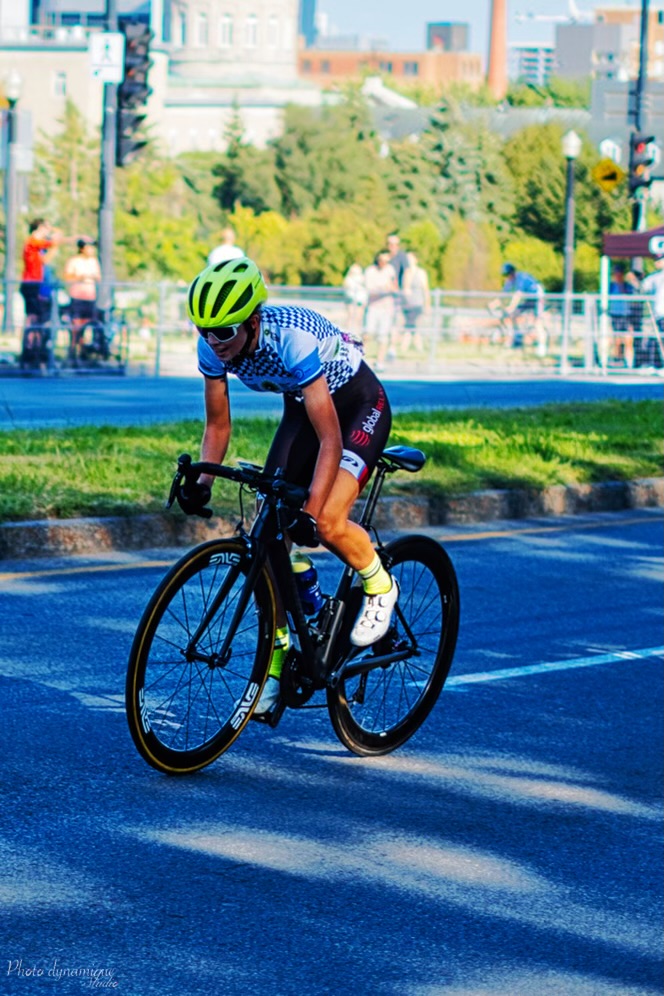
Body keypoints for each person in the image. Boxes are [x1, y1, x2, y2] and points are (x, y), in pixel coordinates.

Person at [184, 256, 398, 716]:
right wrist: (202, 481)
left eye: (222, 331)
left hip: (357, 407)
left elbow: (331, 439)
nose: (212, 341)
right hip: (304, 410)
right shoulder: (212, 349)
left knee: (324, 521)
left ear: (253, 320)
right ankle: (277, 663)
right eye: (203, 330)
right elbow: (218, 427)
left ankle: (379, 585)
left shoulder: (291, 340)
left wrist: (313, 507)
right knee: (269, 528)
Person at [63, 238, 102, 364]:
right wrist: (81, 277)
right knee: (76, 325)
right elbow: (68, 277)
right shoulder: (74, 261)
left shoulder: (94, 261)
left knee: (87, 323)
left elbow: (98, 277)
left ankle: (83, 351)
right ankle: (73, 350)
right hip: (77, 296)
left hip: (90, 296)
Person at [20, 218, 63, 326]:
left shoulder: (38, 246)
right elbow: (53, 242)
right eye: (46, 228)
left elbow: (45, 258)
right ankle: (29, 340)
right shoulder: (33, 241)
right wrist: (55, 232)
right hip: (31, 282)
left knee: (39, 315)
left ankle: (36, 340)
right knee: (32, 315)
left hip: (38, 282)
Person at [499, 263, 545, 352]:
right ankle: (518, 339)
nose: (506, 277)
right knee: (514, 315)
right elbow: (504, 293)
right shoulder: (511, 280)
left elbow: (518, 295)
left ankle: (542, 346)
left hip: (537, 297)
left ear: (512, 273)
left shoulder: (521, 278)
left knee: (537, 322)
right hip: (529, 298)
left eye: (507, 275)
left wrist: (511, 307)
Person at [364, 251, 398, 370]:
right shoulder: (370, 271)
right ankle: (362, 359)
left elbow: (394, 287)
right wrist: (383, 289)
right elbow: (370, 289)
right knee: (368, 333)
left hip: (386, 307)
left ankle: (380, 361)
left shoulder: (390, 270)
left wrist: (388, 289)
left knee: (383, 336)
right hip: (374, 306)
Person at [401, 251, 430, 353]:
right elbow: (405, 289)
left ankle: (414, 348)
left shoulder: (421, 273)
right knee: (409, 328)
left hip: (418, 304)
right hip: (408, 305)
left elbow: (425, 290)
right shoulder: (406, 273)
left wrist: (427, 305)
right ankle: (413, 349)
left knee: (414, 327)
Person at [639, 255, 664, 369]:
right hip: (660, 313)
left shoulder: (657, 277)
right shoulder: (656, 277)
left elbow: (644, 286)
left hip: (660, 312)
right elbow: (644, 287)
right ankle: (656, 363)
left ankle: (657, 363)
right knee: (656, 338)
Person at [608, 262, 634, 368]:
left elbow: (628, 295)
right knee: (617, 340)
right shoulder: (610, 286)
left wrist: (622, 284)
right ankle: (618, 359)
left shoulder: (627, 286)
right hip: (615, 315)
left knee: (628, 339)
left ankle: (629, 361)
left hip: (626, 315)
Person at [342, 262, 368, 334]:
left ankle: (357, 334)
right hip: (351, 301)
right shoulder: (348, 279)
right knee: (351, 318)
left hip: (360, 301)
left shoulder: (362, 278)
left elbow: (364, 291)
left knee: (358, 319)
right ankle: (348, 335)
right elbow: (347, 289)